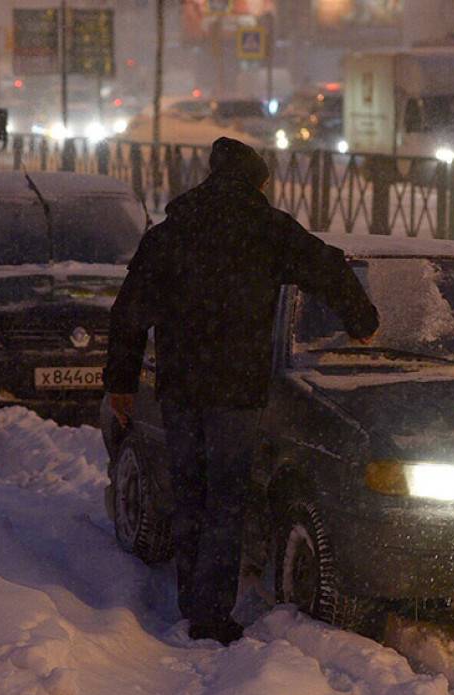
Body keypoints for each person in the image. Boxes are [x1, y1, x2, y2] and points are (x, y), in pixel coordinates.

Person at [104, 137, 379, 644]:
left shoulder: (172, 233)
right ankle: (212, 615)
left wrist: (121, 384)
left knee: (191, 493)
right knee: (226, 498)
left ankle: (193, 602)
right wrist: (362, 320)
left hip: (182, 386)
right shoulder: (267, 230)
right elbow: (328, 266)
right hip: (236, 388)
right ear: (257, 182)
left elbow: (129, 313)